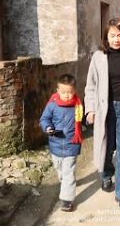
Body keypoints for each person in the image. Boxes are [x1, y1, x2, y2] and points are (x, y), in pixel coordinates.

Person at [84, 18, 120, 208]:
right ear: (106, 37)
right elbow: (90, 85)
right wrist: (90, 109)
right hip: (104, 108)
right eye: (112, 35)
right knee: (107, 144)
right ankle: (105, 174)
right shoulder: (98, 57)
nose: (116, 39)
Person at [39, 74, 84, 212]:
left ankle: (67, 200)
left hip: (72, 144)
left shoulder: (78, 105)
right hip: (56, 144)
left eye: (69, 92)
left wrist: (89, 120)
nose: (66, 95)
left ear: (74, 91)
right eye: (63, 92)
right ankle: (63, 179)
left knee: (68, 172)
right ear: (57, 90)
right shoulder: (52, 105)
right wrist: (47, 127)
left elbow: (84, 119)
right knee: (60, 169)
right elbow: (44, 118)